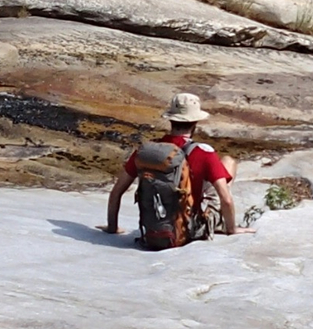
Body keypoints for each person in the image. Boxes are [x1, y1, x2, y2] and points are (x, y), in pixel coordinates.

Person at [105, 93, 251, 246]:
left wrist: (112, 228)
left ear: (171, 120)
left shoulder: (148, 152)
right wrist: (233, 229)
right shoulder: (205, 152)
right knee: (228, 162)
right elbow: (226, 200)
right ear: (195, 122)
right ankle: (223, 222)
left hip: (152, 230)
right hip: (189, 231)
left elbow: (116, 192)